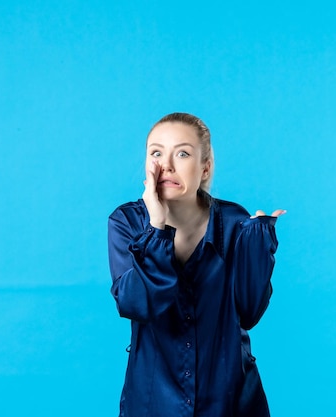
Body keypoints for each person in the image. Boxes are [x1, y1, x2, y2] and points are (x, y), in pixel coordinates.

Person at [107, 112, 284, 417]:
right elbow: (136, 305)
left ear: (205, 167)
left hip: (229, 400)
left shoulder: (233, 223)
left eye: (183, 153)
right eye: (156, 152)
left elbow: (249, 313)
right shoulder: (128, 222)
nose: (167, 165)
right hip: (153, 402)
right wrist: (157, 228)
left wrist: (258, 245)